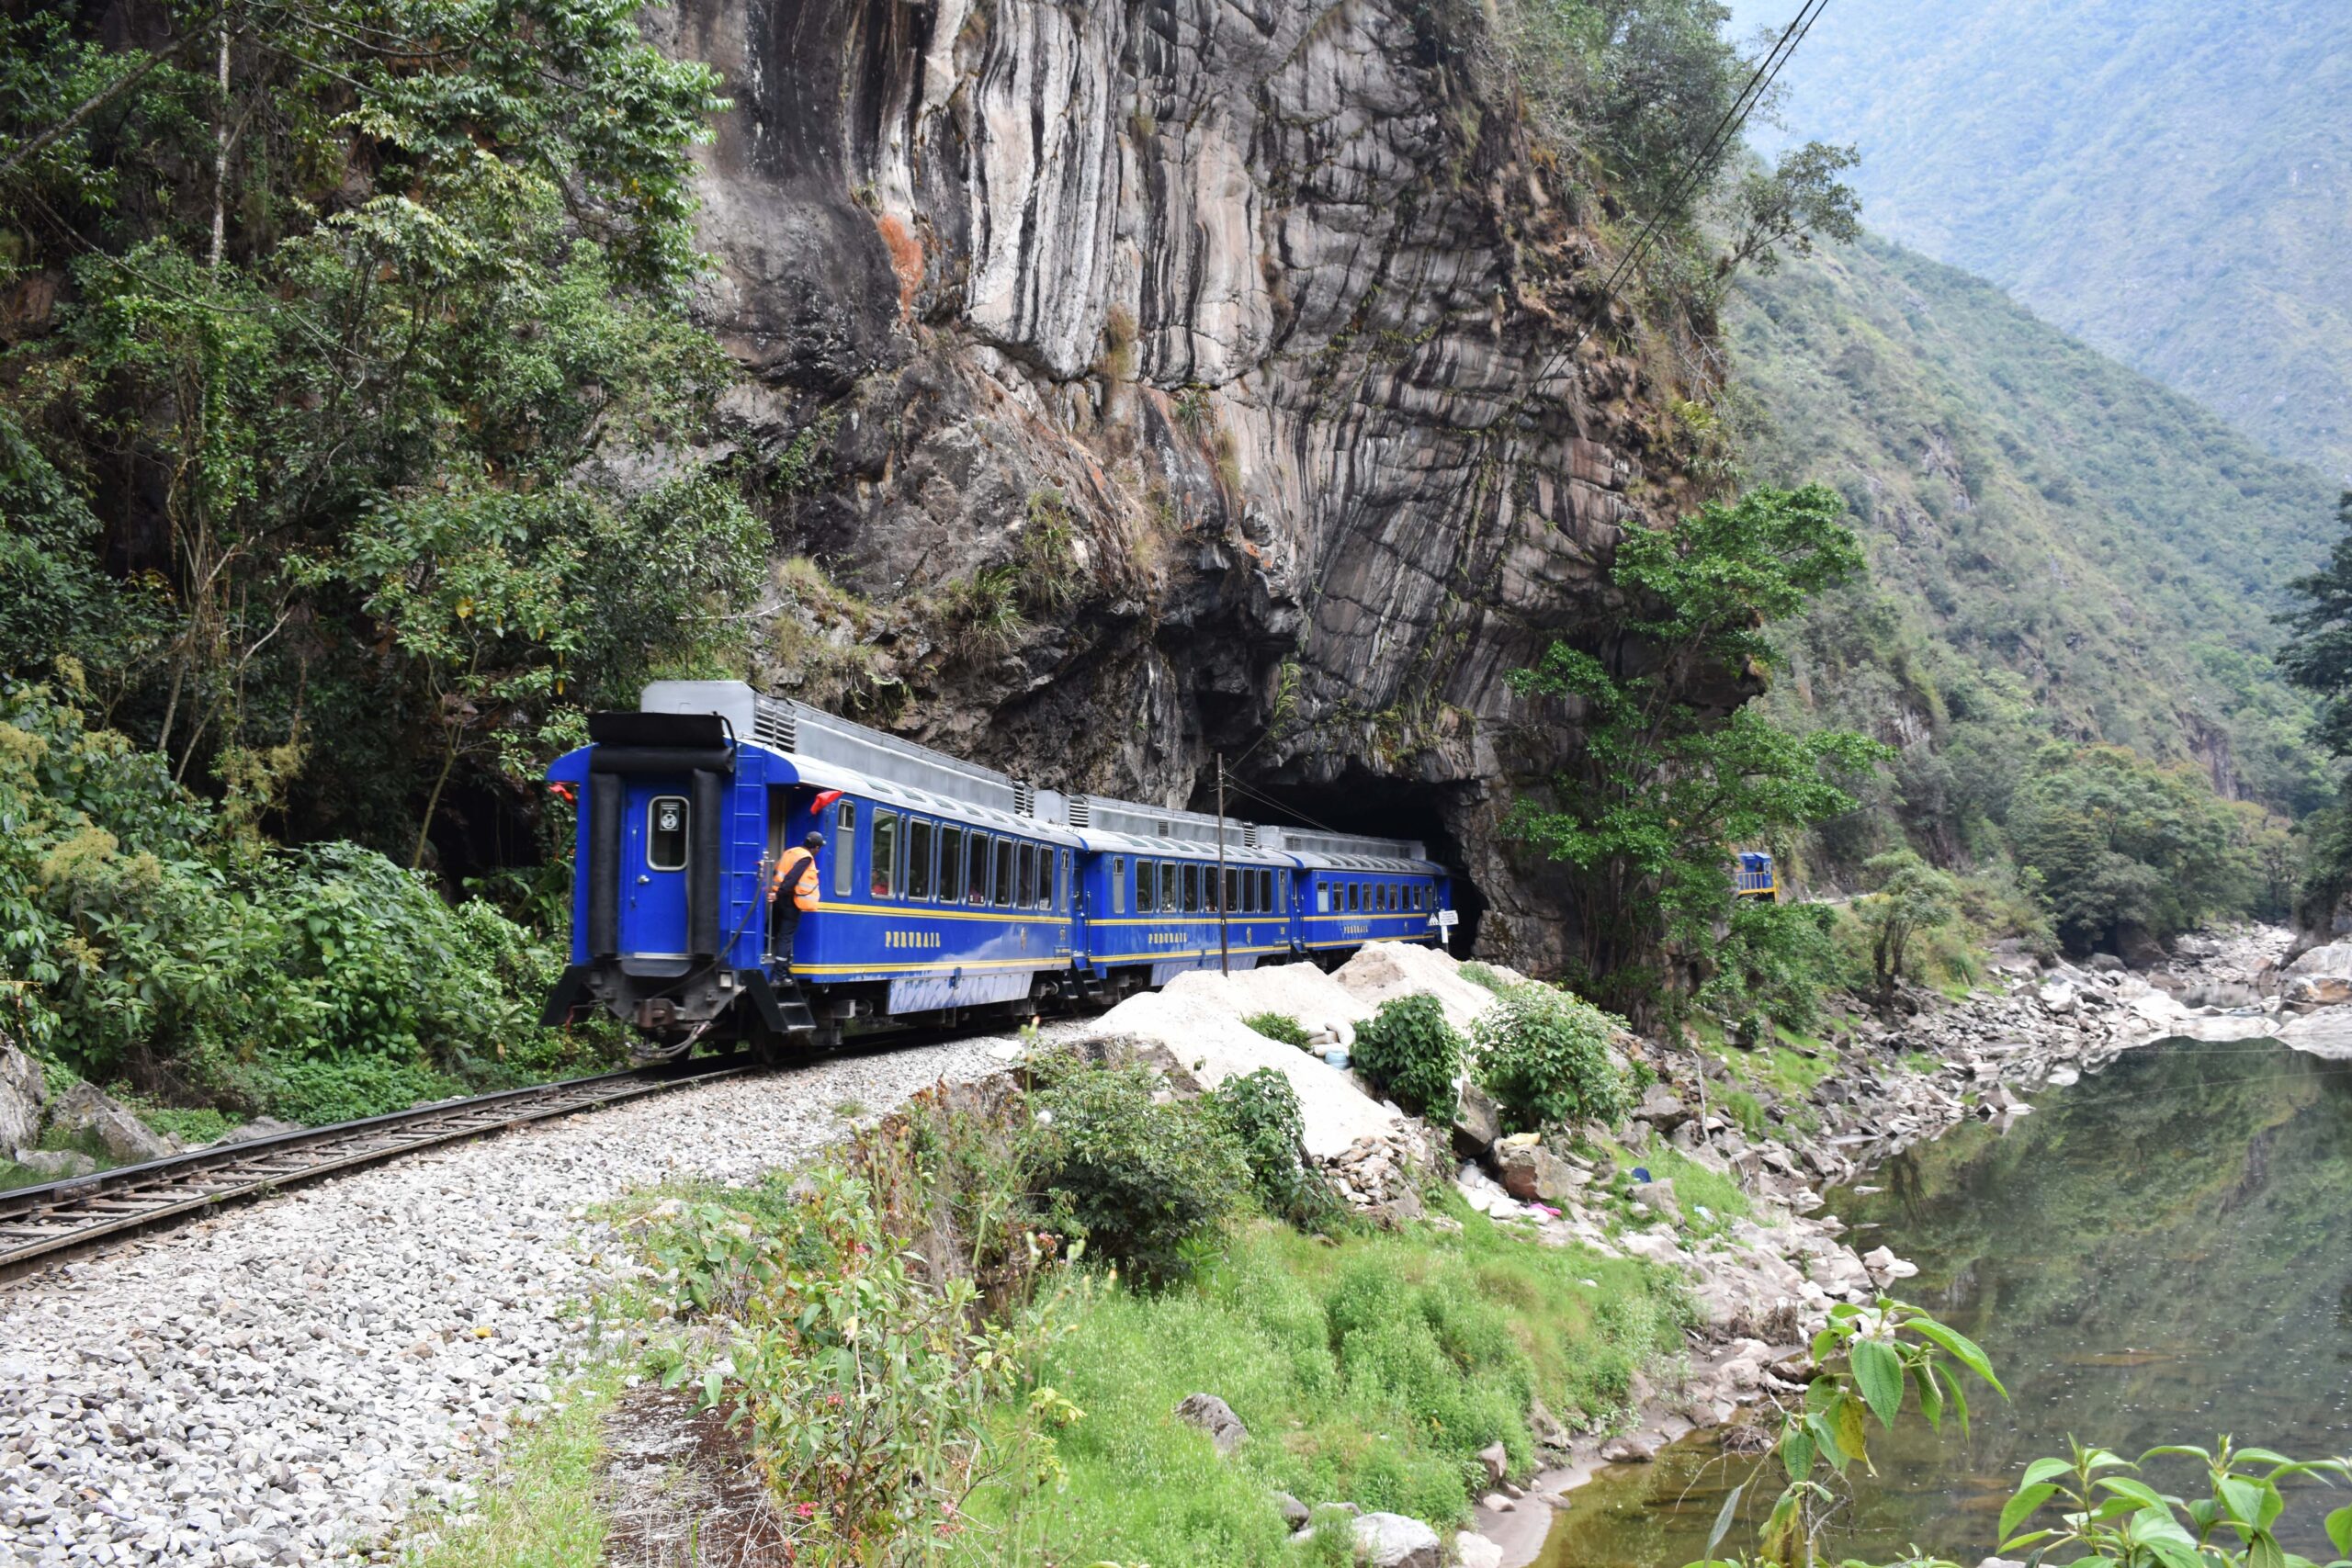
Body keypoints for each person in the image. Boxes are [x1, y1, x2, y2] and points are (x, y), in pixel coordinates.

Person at [769, 830, 824, 967]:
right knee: (785, 937)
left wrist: (775, 893)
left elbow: (776, 871)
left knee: (772, 930)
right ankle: (780, 974)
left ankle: (766, 954)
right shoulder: (806, 857)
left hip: (778, 900)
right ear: (816, 847)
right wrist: (780, 893)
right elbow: (792, 878)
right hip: (790, 900)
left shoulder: (790, 852)